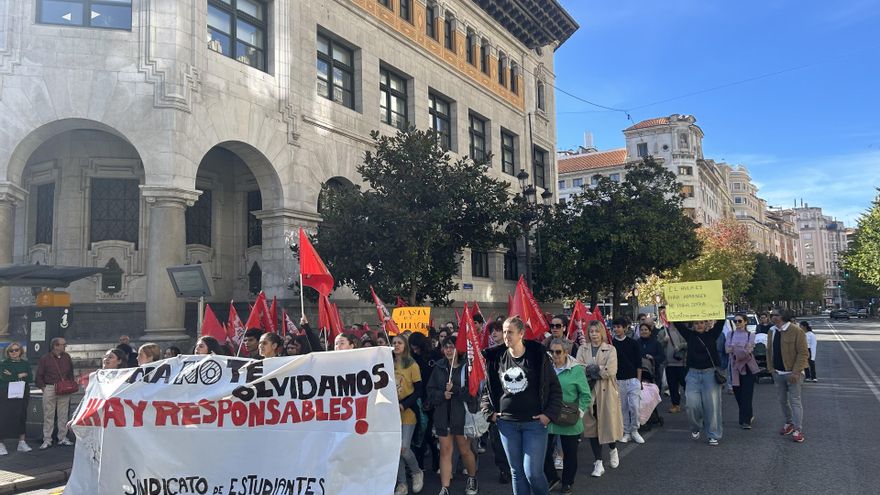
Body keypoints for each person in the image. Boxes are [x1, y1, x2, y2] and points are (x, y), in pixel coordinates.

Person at [482, 316, 562, 495]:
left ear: (521, 334)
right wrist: (489, 413)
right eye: (503, 332)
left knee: (532, 472)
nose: (505, 336)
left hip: (534, 424)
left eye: (510, 332)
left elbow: (555, 389)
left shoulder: (537, 357)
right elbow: (487, 389)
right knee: (516, 472)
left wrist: (548, 415)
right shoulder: (496, 358)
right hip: (507, 424)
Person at [427, 338, 478, 495]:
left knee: (465, 451)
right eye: (446, 347)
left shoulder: (466, 368)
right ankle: (445, 487)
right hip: (443, 416)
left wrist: (454, 389)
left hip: (461, 417)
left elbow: (472, 394)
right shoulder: (439, 367)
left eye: (452, 347)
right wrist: (442, 395)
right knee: (445, 451)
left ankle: (472, 477)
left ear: (459, 349)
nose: (449, 350)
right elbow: (430, 391)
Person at [542, 338, 590, 495]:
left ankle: (567, 483)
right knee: (543, 451)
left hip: (569, 417)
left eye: (558, 352)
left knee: (570, 455)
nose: (554, 355)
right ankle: (552, 477)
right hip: (549, 416)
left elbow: (585, 395)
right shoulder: (546, 367)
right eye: (551, 351)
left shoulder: (576, 370)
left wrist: (580, 413)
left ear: (566, 352)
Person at [576, 321, 623, 477]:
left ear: (602, 332)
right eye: (591, 331)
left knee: (608, 424)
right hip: (588, 392)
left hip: (606, 392)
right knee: (592, 428)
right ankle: (598, 462)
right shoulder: (582, 349)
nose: (594, 334)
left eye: (597, 331)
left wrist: (590, 369)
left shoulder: (611, 349)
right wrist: (595, 369)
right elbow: (578, 367)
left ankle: (613, 449)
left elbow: (611, 370)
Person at [671, 319, 726, 445]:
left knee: (712, 406)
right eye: (696, 323)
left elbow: (721, 321)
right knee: (691, 404)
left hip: (710, 374)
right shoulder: (689, 335)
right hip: (693, 374)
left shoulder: (713, 334)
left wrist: (722, 304)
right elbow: (677, 323)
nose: (699, 325)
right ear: (692, 325)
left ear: (706, 324)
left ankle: (713, 434)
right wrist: (671, 307)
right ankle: (696, 426)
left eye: (702, 323)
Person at [768, 309, 809, 443]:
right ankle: (789, 423)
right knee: (782, 400)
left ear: (783, 317)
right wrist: (771, 369)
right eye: (772, 315)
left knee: (795, 401)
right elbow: (769, 351)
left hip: (793, 373)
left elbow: (803, 353)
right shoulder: (772, 331)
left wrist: (796, 372)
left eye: (776, 315)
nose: (773, 317)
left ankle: (798, 429)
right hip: (778, 372)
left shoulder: (797, 331)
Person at [393, 335, 425, 495]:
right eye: (394, 343)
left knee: (403, 448)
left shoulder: (412, 365)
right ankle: (402, 483)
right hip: (391, 412)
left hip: (408, 410)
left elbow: (419, 390)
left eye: (399, 343)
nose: (396, 345)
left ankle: (416, 471)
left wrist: (404, 404)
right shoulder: (386, 364)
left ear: (405, 346)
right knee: (394, 449)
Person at [36, 337, 75, 449]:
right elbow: (39, 374)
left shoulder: (66, 357)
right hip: (50, 387)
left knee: (63, 415)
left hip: (64, 388)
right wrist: (43, 388)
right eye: (63, 344)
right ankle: (47, 439)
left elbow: (70, 371)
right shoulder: (45, 358)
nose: (65, 346)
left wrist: (70, 383)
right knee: (49, 415)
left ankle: (62, 438)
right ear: (55, 346)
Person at [610, 317, 644, 444]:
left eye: (619, 327)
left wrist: (639, 380)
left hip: (633, 379)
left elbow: (638, 363)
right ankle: (627, 432)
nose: (616, 329)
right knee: (622, 408)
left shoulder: (633, 343)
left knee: (634, 406)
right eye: (614, 327)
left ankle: (635, 430)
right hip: (618, 380)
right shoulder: (611, 344)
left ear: (625, 328)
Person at [727, 313, 760, 429]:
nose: (737, 323)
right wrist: (741, 349)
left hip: (747, 368)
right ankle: (748, 414)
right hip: (734, 368)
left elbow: (749, 350)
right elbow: (727, 349)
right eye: (735, 321)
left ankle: (745, 420)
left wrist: (735, 349)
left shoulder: (750, 335)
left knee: (747, 394)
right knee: (738, 393)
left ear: (745, 322)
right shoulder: (730, 334)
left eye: (740, 321)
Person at [1, 343, 33, 454]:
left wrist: (12, 375)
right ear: (8, 352)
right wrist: (19, 375)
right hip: (6, 393)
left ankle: (22, 442)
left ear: (20, 351)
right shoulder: (4, 364)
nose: (14, 352)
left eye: (16, 350)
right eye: (11, 350)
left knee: (22, 416)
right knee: (4, 417)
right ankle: (1, 444)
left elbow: (30, 378)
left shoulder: (25, 363)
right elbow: (4, 377)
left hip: (22, 392)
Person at [661, 311, 687, 414]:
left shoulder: (683, 331)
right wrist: (664, 341)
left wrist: (680, 346)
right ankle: (675, 404)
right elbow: (659, 346)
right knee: (672, 386)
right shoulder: (664, 331)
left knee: (686, 384)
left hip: (682, 363)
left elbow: (689, 343)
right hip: (669, 364)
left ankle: (690, 402)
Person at [637, 322, 665, 395]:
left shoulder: (656, 343)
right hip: (639, 374)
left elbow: (662, 357)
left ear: (650, 332)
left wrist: (653, 358)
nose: (644, 331)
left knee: (652, 396)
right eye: (642, 330)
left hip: (654, 373)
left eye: (646, 330)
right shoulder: (636, 343)